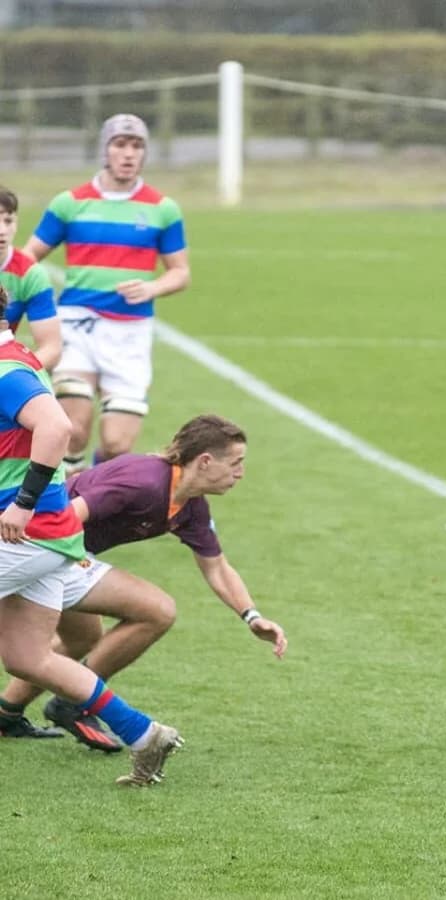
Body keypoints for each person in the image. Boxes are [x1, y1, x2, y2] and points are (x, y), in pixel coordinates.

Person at [0, 413, 287, 753]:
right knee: (154, 610)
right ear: (206, 461)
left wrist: (251, 616)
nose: (240, 472)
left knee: (82, 638)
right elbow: (67, 515)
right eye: (236, 463)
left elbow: (217, 567)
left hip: (67, 556)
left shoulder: (190, 506)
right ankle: (72, 703)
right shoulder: (144, 483)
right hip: (46, 549)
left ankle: (11, 712)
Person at [0, 283, 181, 786]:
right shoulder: (13, 359)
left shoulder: (6, 371)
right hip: (46, 539)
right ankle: (145, 735)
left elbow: (56, 429)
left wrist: (23, 502)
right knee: (27, 658)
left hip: (26, 533)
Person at [22, 113, 190, 474]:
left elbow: (180, 272)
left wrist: (152, 286)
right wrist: (36, 304)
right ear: (105, 150)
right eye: (120, 144)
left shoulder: (162, 209)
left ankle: (91, 493)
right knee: (74, 429)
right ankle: (67, 506)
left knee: (117, 444)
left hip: (130, 334)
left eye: (137, 146)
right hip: (76, 328)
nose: (129, 154)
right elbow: (28, 259)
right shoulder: (70, 203)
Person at [0, 186, 62, 370]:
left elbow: (51, 348)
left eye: (8, 220)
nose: (2, 230)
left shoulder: (30, 274)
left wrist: (15, 370)